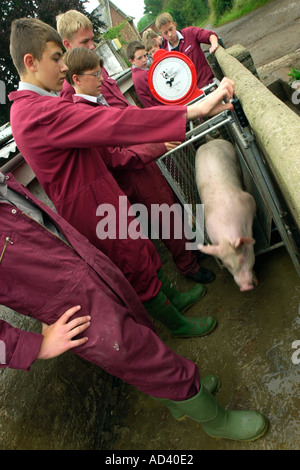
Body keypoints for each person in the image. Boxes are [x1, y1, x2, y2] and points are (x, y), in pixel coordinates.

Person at [9, 18, 238, 337]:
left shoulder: (40, 106)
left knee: (141, 249)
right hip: (90, 201)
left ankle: (174, 299)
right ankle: (178, 326)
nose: (63, 67)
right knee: (133, 260)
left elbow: (114, 119)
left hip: (101, 189)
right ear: (31, 62)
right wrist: (193, 111)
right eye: (56, 58)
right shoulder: (38, 113)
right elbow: (113, 124)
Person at [0, 171, 268, 442]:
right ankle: (216, 421)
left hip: (84, 265)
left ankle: (178, 401)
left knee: (143, 341)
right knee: (144, 356)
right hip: (69, 303)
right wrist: (30, 347)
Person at [56, 10, 217, 284]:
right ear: (68, 46)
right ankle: (188, 266)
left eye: (93, 40)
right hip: (127, 162)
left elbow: (122, 110)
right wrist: (150, 146)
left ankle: (192, 250)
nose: (93, 46)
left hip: (140, 149)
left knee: (171, 200)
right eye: (85, 43)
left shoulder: (98, 69)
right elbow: (106, 140)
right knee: (162, 209)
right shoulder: (72, 92)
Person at [57, 10, 130, 108]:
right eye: (85, 41)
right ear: (67, 44)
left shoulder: (96, 65)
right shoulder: (69, 88)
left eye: (92, 39)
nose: (92, 46)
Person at [155, 12, 219, 90]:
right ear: (161, 35)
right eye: (166, 33)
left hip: (208, 84)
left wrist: (214, 43)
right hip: (191, 95)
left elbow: (210, 35)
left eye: (171, 29)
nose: (170, 34)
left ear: (175, 25)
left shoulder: (189, 33)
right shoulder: (166, 55)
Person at [127, 40, 163, 108]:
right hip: (162, 110)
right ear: (132, 61)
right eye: (139, 58)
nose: (144, 60)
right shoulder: (142, 75)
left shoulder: (138, 72)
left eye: (145, 55)